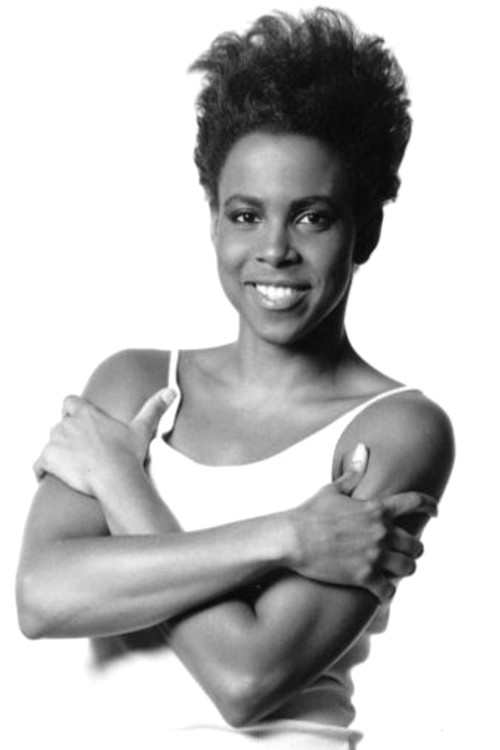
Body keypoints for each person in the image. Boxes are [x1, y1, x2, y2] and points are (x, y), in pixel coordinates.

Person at [16, 7, 454, 749]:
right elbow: (41, 598)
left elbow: (247, 679)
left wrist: (120, 481)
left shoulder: (395, 428)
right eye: (247, 215)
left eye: (312, 217)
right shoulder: (135, 383)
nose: (275, 249)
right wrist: (291, 535)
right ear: (214, 221)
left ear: (367, 230)